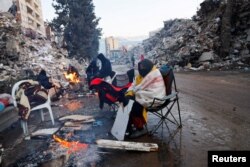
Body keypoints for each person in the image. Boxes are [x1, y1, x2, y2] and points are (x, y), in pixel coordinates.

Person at [124, 59, 166, 138]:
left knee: (135, 105)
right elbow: (134, 85)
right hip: (145, 94)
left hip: (155, 97)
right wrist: (129, 92)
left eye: (143, 67)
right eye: (140, 67)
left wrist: (133, 94)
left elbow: (141, 87)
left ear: (148, 66)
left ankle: (141, 129)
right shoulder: (141, 75)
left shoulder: (154, 73)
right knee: (127, 100)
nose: (141, 69)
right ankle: (130, 124)